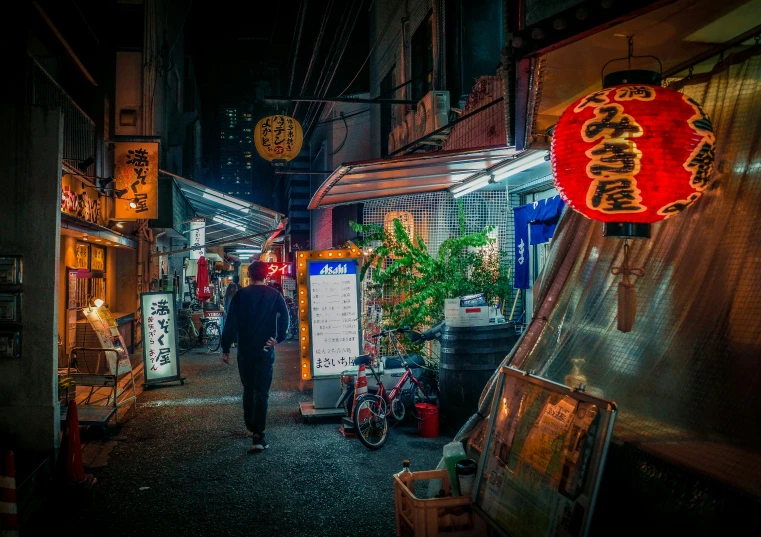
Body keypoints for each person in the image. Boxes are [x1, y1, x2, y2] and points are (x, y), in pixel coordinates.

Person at [221, 262, 289, 453]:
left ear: (249, 275)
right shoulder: (274, 295)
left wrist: (226, 347)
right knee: (262, 391)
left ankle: (251, 427)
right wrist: (278, 339)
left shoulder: (240, 295)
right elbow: (285, 319)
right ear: (266, 275)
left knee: (248, 389)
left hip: (245, 350)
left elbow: (231, 321)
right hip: (265, 350)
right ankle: (258, 436)